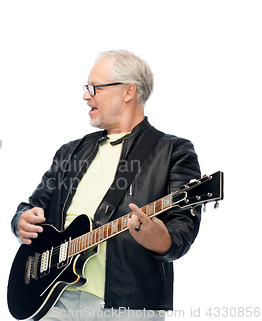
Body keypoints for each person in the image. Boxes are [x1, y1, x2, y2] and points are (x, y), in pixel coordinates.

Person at [11, 50, 201, 320]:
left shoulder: (173, 151)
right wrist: (21, 220)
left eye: (94, 88)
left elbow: (183, 232)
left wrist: (160, 239)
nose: (86, 95)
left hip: (128, 305)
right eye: (87, 88)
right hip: (56, 297)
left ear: (128, 92)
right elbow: (32, 206)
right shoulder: (70, 152)